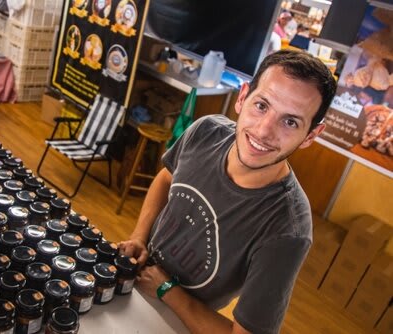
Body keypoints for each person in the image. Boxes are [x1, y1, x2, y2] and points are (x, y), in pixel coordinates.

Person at [119, 50, 337, 334]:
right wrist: (139, 236)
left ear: (311, 135)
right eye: (261, 105)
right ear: (243, 97)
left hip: (177, 322)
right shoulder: (205, 131)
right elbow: (165, 178)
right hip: (131, 284)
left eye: (290, 121)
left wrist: (166, 289)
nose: (264, 130)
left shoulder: (288, 230)